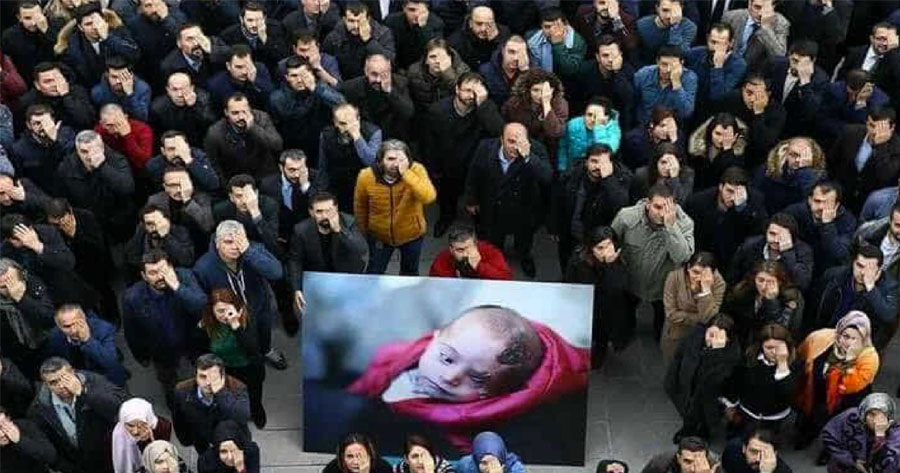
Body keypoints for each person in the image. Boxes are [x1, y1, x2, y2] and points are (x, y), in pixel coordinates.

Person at [346, 305, 589, 446]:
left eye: (477, 378)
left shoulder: (470, 438)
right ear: (434, 337)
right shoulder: (394, 356)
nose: (451, 376)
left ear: (496, 395)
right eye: (447, 358)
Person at [193, 220, 286, 370]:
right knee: (241, 343)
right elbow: (203, 297)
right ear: (217, 243)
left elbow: (276, 273)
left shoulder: (253, 250)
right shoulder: (203, 267)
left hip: (259, 305)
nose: (235, 247)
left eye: (240, 241)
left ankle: (267, 351)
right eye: (229, 242)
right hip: (231, 314)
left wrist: (249, 251)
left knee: (264, 333)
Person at [464, 123, 552, 278]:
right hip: (493, 205)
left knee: (524, 240)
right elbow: (474, 173)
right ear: (501, 140)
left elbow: (547, 177)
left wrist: (528, 157)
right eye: (511, 142)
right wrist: (472, 200)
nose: (515, 147)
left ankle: (525, 257)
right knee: (494, 239)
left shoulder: (537, 149)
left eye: (520, 142)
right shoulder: (485, 148)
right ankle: (495, 261)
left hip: (524, 207)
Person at [122, 250, 208, 408]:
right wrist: (143, 356)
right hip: (162, 353)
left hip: (193, 345)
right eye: (153, 273)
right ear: (144, 276)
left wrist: (177, 287)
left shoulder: (185, 277)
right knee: (170, 385)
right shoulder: (133, 297)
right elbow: (132, 331)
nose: (160, 276)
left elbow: (201, 306)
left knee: (203, 380)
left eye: (164, 270)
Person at [613, 182, 695, 341]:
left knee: (661, 320)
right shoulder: (626, 217)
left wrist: (671, 228)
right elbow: (613, 241)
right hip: (632, 281)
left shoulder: (685, 223)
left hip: (662, 286)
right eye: (657, 207)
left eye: (667, 207)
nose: (662, 213)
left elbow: (682, 257)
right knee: (627, 315)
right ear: (647, 204)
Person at [425, 72, 504, 237]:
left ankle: (479, 223)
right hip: (448, 163)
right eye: (467, 90)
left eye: (475, 91)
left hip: (474, 163)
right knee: (447, 197)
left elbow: (498, 131)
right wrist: (433, 169)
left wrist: (483, 104)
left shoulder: (485, 109)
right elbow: (429, 143)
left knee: (478, 198)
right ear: (457, 89)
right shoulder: (438, 111)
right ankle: (446, 217)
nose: (471, 96)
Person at [794, 311, 880, 450]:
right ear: (839, 332)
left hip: (845, 400)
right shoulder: (820, 338)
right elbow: (802, 354)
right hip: (817, 392)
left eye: (855, 338)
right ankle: (806, 436)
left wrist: (849, 361)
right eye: (845, 336)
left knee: (838, 427)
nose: (849, 342)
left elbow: (849, 386)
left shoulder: (870, 358)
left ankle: (829, 451)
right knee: (811, 418)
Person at [28, 357, 127, 473]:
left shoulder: (94, 382)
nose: (61, 386)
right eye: (53, 383)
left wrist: (84, 392)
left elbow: (118, 408)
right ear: (46, 384)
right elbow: (50, 445)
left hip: (111, 453)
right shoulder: (40, 408)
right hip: (80, 464)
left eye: (64, 379)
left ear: (73, 372)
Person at [355, 139, 436, 275]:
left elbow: (428, 196)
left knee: (410, 273)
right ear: (380, 160)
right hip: (379, 235)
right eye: (390, 159)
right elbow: (360, 207)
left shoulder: (416, 170)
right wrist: (366, 231)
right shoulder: (366, 176)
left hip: (411, 234)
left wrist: (406, 175)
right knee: (375, 271)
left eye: (401, 159)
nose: (396, 164)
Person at [552, 143, 632, 272]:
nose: (598, 167)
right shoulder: (572, 175)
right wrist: (554, 227)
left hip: (599, 240)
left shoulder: (622, 178)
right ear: (586, 162)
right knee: (569, 267)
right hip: (572, 235)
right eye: (594, 161)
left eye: (603, 162)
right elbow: (558, 201)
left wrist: (608, 179)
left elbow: (620, 206)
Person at [288, 191, 368, 313]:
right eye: (319, 212)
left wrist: (339, 231)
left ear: (336, 209)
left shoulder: (349, 222)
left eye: (329, 211)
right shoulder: (301, 230)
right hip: (318, 278)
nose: (325, 215)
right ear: (311, 212)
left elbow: (361, 249)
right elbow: (295, 260)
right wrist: (297, 289)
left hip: (345, 275)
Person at [807, 244, 899, 350]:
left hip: (857, 347)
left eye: (870, 269)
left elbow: (888, 315)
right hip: (826, 334)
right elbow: (813, 307)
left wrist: (871, 288)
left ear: (879, 271)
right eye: (859, 266)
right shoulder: (835, 276)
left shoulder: (890, 287)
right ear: (853, 263)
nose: (863, 273)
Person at [665, 315, 741, 441]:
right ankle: (687, 430)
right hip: (688, 385)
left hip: (709, 396)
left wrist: (715, 353)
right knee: (687, 412)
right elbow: (678, 358)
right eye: (711, 334)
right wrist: (671, 383)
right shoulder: (693, 339)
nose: (713, 339)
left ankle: (702, 434)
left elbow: (713, 381)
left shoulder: (732, 356)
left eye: (720, 336)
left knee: (703, 418)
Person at [565, 226, 632, 365]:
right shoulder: (579, 262)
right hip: (585, 306)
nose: (606, 252)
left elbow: (618, 287)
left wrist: (610, 265)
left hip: (606, 309)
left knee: (602, 336)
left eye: (608, 245)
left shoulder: (618, 259)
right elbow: (574, 284)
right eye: (600, 248)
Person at [200, 289, 266, 429]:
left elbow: (253, 349)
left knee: (254, 395)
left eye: (227, 310)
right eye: (219, 311)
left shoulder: (247, 318)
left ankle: (256, 412)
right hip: (225, 369)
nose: (224, 316)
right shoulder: (208, 326)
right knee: (229, 395)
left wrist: (235, 326)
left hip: (248, 368)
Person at [57, 129, 136, 242]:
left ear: (102, 147)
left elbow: (127, 188)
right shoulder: (66, 168)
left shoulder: (116, 160)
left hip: (118, 222)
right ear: (77, 151)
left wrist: (102, 167)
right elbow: (63, 197)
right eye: (84, 152)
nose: (89, 156)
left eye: (94, 151)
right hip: (89, 225)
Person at [722, 325, 796, 440]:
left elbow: (787, 393)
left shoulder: (795, 364)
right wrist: (730, 404)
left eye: (779, 347)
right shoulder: (750, 360)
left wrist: (782, 366)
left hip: (773, 419)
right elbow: (736, 382)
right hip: (747, 413)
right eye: (769, 348)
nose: (774, 352)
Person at [268, 57, 345, 165]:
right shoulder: (278, 98)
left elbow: (342, 104)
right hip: (294, 148)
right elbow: (295, 116)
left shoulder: (320, 88)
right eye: (294, 76)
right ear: (287, 77)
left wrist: (315, 89)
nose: (299, 80)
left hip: (321, 146)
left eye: (303, 74)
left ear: (310, 74)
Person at [684, 167, 767, 267]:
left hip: (735, 253)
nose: (733, 197)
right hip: (704, 250)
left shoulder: (755, 200)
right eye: (729, 191)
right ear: (720, 187)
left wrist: (742, 209)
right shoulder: (698, 201)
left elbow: (759, 229)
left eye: (738, 193)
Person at [172, 354, 250, 455]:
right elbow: (179, 419)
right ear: (195, 376)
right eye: (203, 377)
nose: (208, 382)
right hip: (201, 437)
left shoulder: (237, 388)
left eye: (213, 377)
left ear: (222, 376)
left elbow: (241, 417)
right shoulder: (182, 391)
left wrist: (221, 393)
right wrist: (185, 439)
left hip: (230, 440)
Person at [828, 106, 900, 214]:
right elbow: (832, 160)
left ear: (892, 127)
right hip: (840, 191)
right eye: (871, 125)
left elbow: (884, 176)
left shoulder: (897, 147)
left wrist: (881, 146)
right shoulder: (850, 132)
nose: (874, 132)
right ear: (866, 122)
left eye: (881, 129)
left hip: (868, 202)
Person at [661, 251, 727, 364]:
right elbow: (671, 314)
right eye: (695, 272)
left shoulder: (719, 283)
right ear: (688, 267)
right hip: (676, 332)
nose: (699, 278)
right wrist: (699, 318)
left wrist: (705, 291)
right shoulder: (674, 278)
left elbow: (709, 318)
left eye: (704, 274)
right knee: (672, 363)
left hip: (700, 336)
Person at [55, 3, 141, 87]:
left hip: (125, 83)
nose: (95, 27)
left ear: (104, 19)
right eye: (88, 24)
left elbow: (134, 54)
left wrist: (108, 38)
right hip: (93, 89)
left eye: (97, 21)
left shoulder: (118, 31)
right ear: (80, 28)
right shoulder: (73, 46)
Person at [782, 180, 856, 276]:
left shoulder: (847, 221)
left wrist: (827, 225)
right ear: (809, 200)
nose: (821, 207)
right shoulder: (794, 213)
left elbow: (839, 254)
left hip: (826, 269)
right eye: (817, 201)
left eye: (827, 203)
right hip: (799, 265)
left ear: (836, 205)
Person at [204, 92, 283, 181]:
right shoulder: (215, 133)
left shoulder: (261, 118)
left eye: (244, 112)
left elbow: (277, 146)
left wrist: (253, 128)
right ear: (226, 112)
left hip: (266, 176)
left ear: (250, 109)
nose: (241, 117)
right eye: (235, 113)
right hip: (237, 179)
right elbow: (215, 166)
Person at [318, 102, 382, 211]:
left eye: (351, 122)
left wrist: (357, 136)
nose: (348, 127)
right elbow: (323, 166)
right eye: (343, 123)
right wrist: (322, 192)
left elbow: (370, 161)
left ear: (358, 119)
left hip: (365, 186)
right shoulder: (327, 134)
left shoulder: (373, 132)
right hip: (338, 185)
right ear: (335, 122)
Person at [714, 74, 785, 170]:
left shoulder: (777, 111)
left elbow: (763, 144)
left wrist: (758, 113)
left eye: (759, 95)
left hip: (756, 161)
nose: (752, 99)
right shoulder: (731, 99)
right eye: (749, 93)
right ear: (742, 90)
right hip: (728, 151)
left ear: (768, 94)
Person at [45, 304, 128, 387]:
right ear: (59, 326)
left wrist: (87, 340)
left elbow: (110, 362)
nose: (74, 330)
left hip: (109, 379)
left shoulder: (103, 329)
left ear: (84, 318)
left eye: (77, 323)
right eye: (67, 326)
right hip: (80, 382)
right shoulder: (55, 337)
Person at [728, 213, 814, 292]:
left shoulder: (803, 251)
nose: (776, 240)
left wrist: (787, 253)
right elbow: (734, 273)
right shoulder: (751, 245)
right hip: (752, 291)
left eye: (782, 236)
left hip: (783, 295)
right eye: (772, 234)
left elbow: (803, 283)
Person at [763, 40, 828, 139]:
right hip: (767, 119)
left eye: (803, 63)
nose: (797, 66)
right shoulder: (775, 64)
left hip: (792, 130)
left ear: (813, 61)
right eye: (794, 60)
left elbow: (810, 112)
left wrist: (805, 83)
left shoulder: (821, 80)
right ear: (789, 55)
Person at [340, 54, 414, 141]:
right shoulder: (351, 87)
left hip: (394, 137)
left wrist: (389, 91)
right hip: (366, 138)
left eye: (384, 74)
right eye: (374, 74)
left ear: (390, 71)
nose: (378, 80)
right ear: (366, 71)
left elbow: (408, 113)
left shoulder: (402, 83)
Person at [724, 261, 804, 341]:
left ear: (779, 282)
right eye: (761, 280)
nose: (764, 286)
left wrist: (771, 301)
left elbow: (783, 328)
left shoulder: (791, 296)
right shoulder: (744, 291)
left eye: (770, 282)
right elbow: (730, 314)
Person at [822, 392, 900, 473]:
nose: (876, 420)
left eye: (883, 415)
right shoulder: (851, 417)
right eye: (872, 414)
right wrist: (850, 460)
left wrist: (880, 436)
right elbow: (828, 436)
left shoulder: (897, 434)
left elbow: (888, 463)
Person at [500, 69, 568, 160]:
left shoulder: (559, 103)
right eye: (536, 90)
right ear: (528, 90)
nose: (541, 95)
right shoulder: (515, 104)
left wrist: (546, 103)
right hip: (519, 143)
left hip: (547, 149)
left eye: (544, 90)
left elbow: (555, 132)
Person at [572, 35, 636, 130]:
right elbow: (576, 101)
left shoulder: (628, 71)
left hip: (618, 123)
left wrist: (617, 73)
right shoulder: (584, 71)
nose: (610, 60)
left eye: (614, 55)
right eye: (605, 55)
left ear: (621, 54)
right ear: (597, 57)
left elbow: (628, 99)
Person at [685, 23, 747, 120]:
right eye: (713, 42)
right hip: (693, 105)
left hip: (716, 113)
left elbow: (717, 97)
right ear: (707, 38)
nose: (715, 48)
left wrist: (718, 67)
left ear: (731, 43)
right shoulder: (695, 53)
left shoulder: (738, 65)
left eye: (721, 44)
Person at [10, 104, 76, 194]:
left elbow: (71, 164)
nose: (43, 127)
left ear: (53, 120)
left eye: (46, 122)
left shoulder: (67, 134)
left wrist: (55, 141)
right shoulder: (19, 149)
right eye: (37, 123)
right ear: (29, 125)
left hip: (69, 187)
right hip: (41, 193)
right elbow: (21, 179)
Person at [751, 137, 826, 215]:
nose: (798, 160)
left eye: (804, 156)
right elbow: (754, 198)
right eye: (794, 155)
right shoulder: (766, 171)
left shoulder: (818, 180)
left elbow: (810, 208)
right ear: (784, 153)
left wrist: (805, 171)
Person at [322, 2, 396, 80]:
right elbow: (325, 61)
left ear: (368, 19)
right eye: (351, 21)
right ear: (344, 20)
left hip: (373, 80)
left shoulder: (382, 34)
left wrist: (369, 41)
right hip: (344, 82)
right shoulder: (335, 36)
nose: (356, 26)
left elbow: (389, 61)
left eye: (360, 21)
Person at [836, 23, 900, 110]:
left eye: (889, 40)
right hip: (845, 101)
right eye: (880, 39)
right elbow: (841, 76)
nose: (885, 43)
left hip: (875, 109)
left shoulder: (894, 60)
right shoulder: (855, 53)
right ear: (871, 38)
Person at [213, 175, 280, 257]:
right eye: (239, 196)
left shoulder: (269, 205)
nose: (244, 201)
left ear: (256, 193)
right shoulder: (221, 210)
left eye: (248, 195)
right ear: (231, 197)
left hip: (262, 252)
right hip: (234, 251)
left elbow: (272, 243)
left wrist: (256, 213)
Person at [819, 69, 890, 147]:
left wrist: (860, 104)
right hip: (831, 135)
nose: (851, 94)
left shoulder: (880, 102)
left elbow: (863, 128)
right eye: (849, 91)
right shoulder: (835, 89)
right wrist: (846, 131)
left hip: (854, 143)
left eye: (855, 92)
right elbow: (823, 118)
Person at [19, 62, 96, 132]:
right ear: (37, 85)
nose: (55, 84)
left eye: (58, 79)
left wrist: (66, 96)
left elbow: (87, 121)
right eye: (48, 81)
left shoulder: (77, 91)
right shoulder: (28, 102)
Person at [219, 2, 289, 76]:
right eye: (250, 20)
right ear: (241, 19)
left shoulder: (276, 28)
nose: (254, 25)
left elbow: (282, 58)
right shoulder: (228, 35)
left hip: (270, 73)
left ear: (264, 18)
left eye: (258, 20)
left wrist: (265, 39)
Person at [633, 46, 698, 126]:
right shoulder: (644, 74)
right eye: (664, 64)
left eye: (673, 66)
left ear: (682, 63)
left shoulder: (689, 78)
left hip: (672, 126)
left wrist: (676, 83)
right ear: (657, 62)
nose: (668, 70)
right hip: (645, 124)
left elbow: (686, 112)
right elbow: (632, 101)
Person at [150, 73, 218, 148]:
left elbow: (210, 126)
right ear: (168, 90)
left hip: (199, 145)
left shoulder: (203, 99)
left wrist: (194, 107)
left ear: (192, 88)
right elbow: (157, 138)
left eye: (183, 89)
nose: (180, 94)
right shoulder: (158, 107)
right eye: (175, 89)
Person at [124, 205, 195, 277]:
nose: (155, 227)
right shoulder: (142, 235)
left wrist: (166, 237)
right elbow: (131, 257)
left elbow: (187, 260)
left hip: (177, 274)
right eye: (149, 224)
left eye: (158, 221)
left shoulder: (180, 232)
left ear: (167, 221)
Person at [557, 96, 621, 174]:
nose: (593, 119)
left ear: (606, 117)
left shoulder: (613, 130)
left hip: (600, 171)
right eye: (589, 115)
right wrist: (562, 168)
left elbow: (606, 152)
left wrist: (599, 126)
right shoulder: (573, 125)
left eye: (597, 116)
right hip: (574, 170)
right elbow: (563, 146)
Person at [720, 0, 789, 71]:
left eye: (766, 9)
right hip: (725, 68)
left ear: (773, 6)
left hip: (753, 75)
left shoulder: (781, 23)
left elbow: (780, 56)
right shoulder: (731, 17)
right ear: (749, 3)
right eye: (757, 7)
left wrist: (766, 28)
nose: (760, 13)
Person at [407, 38, 470, 114]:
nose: (437, 61)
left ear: (450, 58)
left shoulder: (462, 70)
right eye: (433, 57)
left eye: (442, 57)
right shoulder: (414, 72)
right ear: (426, 60)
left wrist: (447, 73)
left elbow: (463, 94)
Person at [687, 113, 749, 190]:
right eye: (718, 134)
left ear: (735, 136)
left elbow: (730, 176)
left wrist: (727, 150)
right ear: (711, 132)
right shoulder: (699, 152)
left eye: (727, 135)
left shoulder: (739, 156)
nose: (721, 140)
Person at [145, 130, 220, 193]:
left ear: (187, 147)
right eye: (171, 149)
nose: (176, 153)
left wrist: (189, 161)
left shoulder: (198, 156)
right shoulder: (154, 166)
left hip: (198, 197)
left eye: (180, 148)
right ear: (163, 151)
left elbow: (213, 184)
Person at [1, 2, 58, 84]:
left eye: (37, 17)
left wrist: (46, 31)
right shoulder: (10, 36)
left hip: (54, 77)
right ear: (19, 18)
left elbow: (60, 54)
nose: (33, 23)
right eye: (28, 18)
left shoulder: (54, 26)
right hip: (26, 81)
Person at [428, 224, 512, 280]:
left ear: (476, 244)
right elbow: (435, 283)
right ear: (451, 249)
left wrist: (479, 266)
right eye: (459, 250)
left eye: (468, 248)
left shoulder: (490, 252)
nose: (465, 254)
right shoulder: (442, 259)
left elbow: (506, 278)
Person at [205, 45, 274, 111]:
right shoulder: (216, 84)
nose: (244, 72)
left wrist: (255, 81)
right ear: (228, 66)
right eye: (239, 67)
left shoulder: (260, 69)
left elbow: (271, 96)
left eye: (248, 66)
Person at [112, 398, 173, 473]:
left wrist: (147, 441)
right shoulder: (118, 434)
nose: (135, 431)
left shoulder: (163, 427)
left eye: (141, 425)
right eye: (130, 425)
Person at [160, 23, 231, 86]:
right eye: (189, 39)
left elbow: (233, 55)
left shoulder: (214, 43)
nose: (196, 43)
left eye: (199, 37)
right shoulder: (169, 65)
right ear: (179, 43)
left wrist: (212, 50)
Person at [525, 8, 586, 79]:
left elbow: (570, 70)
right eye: (547, 27)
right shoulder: (532, 39)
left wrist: (558, 44)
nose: (552, 31)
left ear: (565, 25)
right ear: (541, 27)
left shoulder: (577, 42)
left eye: (556, 27)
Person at [384, 0, 445, 70]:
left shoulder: (436, 24)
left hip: (423, 70)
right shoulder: (391, 21)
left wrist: (423, 28)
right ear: (404, 8)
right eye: (412, 10)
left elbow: (432, 51)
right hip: (397, 68)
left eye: (421, 10)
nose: (416, 14)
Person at [621, 106, 686, 170]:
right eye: (663, 126)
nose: (667, 130)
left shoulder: (675, 134)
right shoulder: (635, 140)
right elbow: (646, 163)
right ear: (652, 125)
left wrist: (674, 141)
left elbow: (683, 162)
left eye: (670, 126)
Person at [448, 6, 511, 71]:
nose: (483, 29)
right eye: (479, 24)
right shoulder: (457, 41)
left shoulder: (503, 33)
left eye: (488, 24)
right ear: (470, 23)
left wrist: (495, 40)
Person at [635, 0, 698, 65]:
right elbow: (636, 56)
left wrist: (675, 27)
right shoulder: (642, 25)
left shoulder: (689, 27)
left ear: (681, 9)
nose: (668, 16)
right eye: (665, 10)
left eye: (674, 11)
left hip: (676, 68)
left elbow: (679, 54)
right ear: (657, 8)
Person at [90, 56, 151, 122]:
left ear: (131, 75)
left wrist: (130, 94)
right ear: (107, 75)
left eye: (122, 77)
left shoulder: (142, 89)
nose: (118, 81)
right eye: (114, 77)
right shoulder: (98, 92)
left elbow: (142, 118)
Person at [0, 408, 58, 473]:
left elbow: (51, 456)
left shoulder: (24, 426)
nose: (3, 433)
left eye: (5, 424)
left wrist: (20, 440)